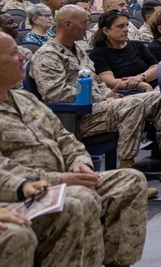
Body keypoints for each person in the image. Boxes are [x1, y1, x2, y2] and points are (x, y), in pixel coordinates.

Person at [0, 32, 149, 266]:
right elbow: (4, 171)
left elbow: (64, 137)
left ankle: (118, 262)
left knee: (130, 180)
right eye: (13, 53)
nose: (22, 57)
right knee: (79, 199)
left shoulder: (25, 100)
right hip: (28, 190)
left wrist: (81, 163)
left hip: (65, 177)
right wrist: (62, 179)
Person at [30, 5, 161, 179]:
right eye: (84, 23)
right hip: (75, 117)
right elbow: (55, 94)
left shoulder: (78, 50)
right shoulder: (47, 55)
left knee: (159, 96)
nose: (88, 27)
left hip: (98, 107)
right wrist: (99, 96)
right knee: (133, 104)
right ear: (67, 24)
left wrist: (108, 93)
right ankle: (128, 173)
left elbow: (97, 81)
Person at [88, 11, 158, 93]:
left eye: (126, 25)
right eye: (120, 26)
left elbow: (155, 68)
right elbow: (110, 82)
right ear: (106, 31)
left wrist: (140, 77)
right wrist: (142, 85)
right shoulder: (98, 54)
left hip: (154, 86)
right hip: (129, 93)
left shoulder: (137, 45)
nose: (126, 30)